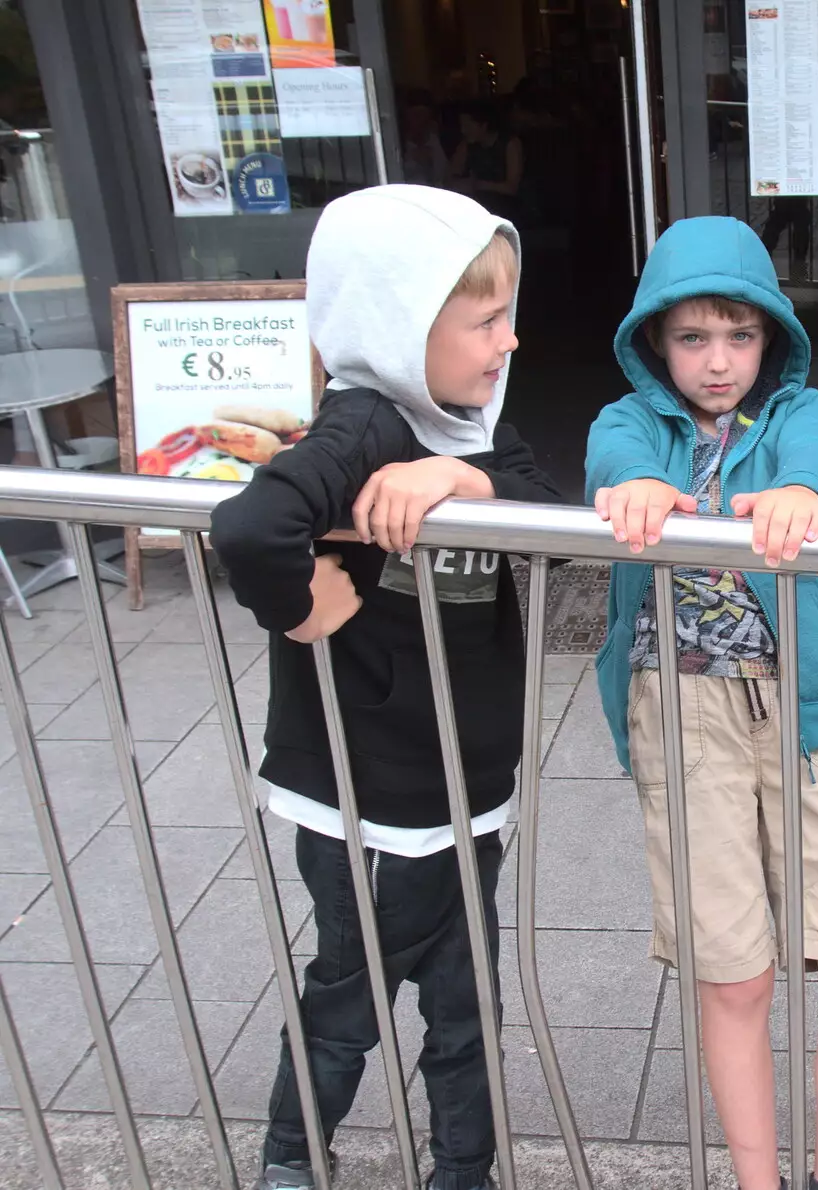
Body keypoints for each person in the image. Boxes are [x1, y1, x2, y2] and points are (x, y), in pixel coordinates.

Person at [210, 185, 563, 1190]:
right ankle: (292, 1152)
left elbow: (548, 508)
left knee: (464, 1001)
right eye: (484, 319)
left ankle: (463, 1166)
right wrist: (300, 603)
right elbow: (250, 525)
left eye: (507, 313)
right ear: (400, 324)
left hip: (464, 784)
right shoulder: (360, 425)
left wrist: (465, 483)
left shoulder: (470, 428)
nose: (510, 340)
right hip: (360, 791)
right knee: (350, 988)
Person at [586, 216, 818, 1190]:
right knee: (734, 973)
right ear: (653, 341)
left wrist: (803, 491)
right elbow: (610, 461)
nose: (718, 361)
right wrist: (632, 486)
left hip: (802, 711)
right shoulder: (631, 421)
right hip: (680, 713)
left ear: (772, 336)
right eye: (691, 336)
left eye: (740, 334)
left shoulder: (801, 413)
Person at [450, 101, 526, 226]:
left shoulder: (510, 144)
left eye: (468, 126)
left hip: (507, 208)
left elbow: (512, 187)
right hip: (476, 205)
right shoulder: (466, 145)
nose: (463, 130)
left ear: (484, 126)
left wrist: (478, 184)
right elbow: (451, 177)